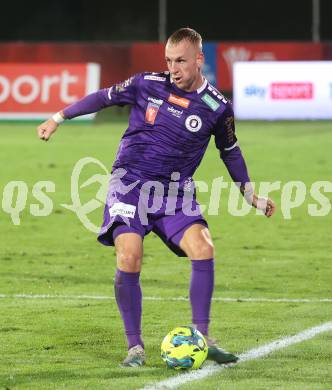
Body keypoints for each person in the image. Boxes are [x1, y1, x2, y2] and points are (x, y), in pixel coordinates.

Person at [37, 27, 275, 368]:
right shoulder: (147, 84)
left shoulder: (217, 107)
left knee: (203, 247)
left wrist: (251, 194)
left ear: (199, 60)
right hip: (129, 185)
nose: (173, 68)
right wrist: (59, 117)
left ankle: (203, 336)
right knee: (129, 255)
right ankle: (135, 347)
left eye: (180, 61)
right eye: (168, 60)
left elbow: (230, 151)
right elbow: (103, 97)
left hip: (176, 192)